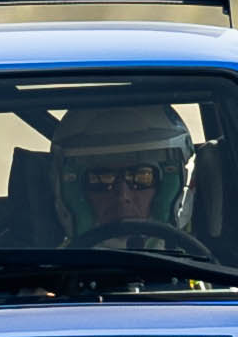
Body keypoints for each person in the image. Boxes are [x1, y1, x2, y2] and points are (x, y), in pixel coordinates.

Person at [38, 103, 198, 247]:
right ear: (75, 192)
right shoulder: (53, 272)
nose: (122, 196)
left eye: (141, 177)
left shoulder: (202, 268)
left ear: (167, 188)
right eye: (100, 179)